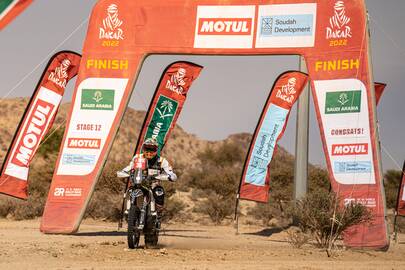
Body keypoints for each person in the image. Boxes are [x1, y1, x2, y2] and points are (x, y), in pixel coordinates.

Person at [122, 138, 177, 217]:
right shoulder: (137, 158)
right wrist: (123, 172)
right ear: (143, 148)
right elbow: (130, 167)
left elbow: (170, 171)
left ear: (156, 150)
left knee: (159, 192)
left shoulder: (161, 160)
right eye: (147, 148)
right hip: (138, 182)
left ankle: (157, 213)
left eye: (152, 149)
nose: (149, 152)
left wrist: (171, 176)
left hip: (153, 184)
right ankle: (128, 210)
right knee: (130, 191)